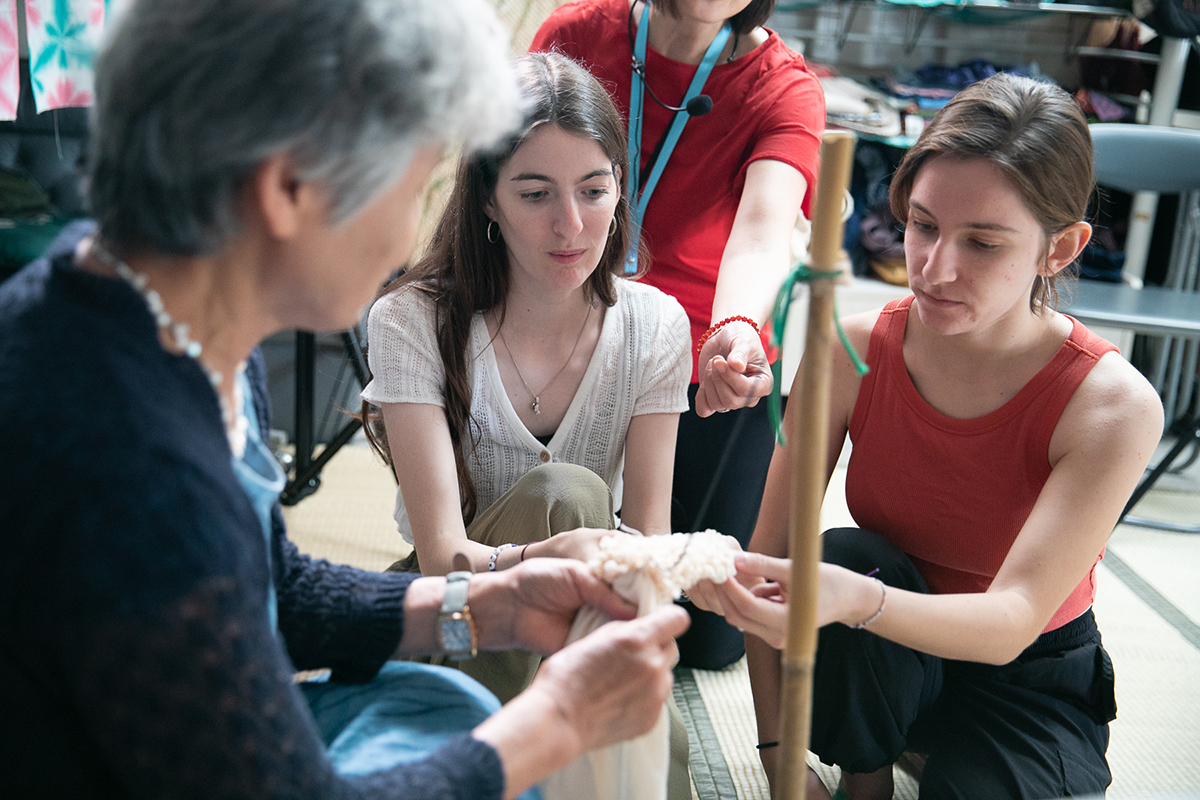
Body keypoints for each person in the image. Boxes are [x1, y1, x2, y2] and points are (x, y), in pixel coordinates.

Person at [0, 1, 690, 798]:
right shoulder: (132, 472)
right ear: (288, 187)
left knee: (451, 702)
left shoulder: (165, 321)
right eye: (411, 188)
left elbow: (271, 585)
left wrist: (489, 605)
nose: (406, 240)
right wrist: (561, 719)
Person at [702, 73, 1164, 799]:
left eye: (982, 242)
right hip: (881, 657)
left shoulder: (1111, 405)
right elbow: (769, 562)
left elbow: (1012, 621)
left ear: (1061, 248)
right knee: (848, 556)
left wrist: (854, 602)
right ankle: (868, 775)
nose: (934, 268)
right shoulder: (848, 351)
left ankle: (946, 752)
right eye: (922, 226)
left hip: (1028, 673)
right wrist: (777, 755)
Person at [361, 52, 691, 704]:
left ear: (619, 186)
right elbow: (441, 556)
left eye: (593, 190)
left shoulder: (656, 325)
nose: (571, 224)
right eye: (536, 194)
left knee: (662, 747)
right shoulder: (411, 320)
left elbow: (648, 543)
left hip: (585, 612)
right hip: (450, 609)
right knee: (567, 492)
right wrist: (547, 557)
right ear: (488, 198)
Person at [530, 0, 826, 669]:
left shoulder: (785, 87)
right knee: (556, 584)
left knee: (711, 633)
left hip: (701, 358)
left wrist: (736, 329)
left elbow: (763, 233)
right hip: (563, 333)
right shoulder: (574, 34)